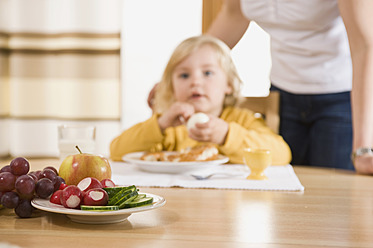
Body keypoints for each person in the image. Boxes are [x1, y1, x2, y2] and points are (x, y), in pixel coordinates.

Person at [206, 0, 373, 173]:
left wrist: (363, 149)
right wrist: (188, 73)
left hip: (339, 97)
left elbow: (364, 45)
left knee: (333, 190)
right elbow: (233, 15)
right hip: (282, 93)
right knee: (282, 186)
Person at [110, 35, 291, 165]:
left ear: (228, 83)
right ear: (172, 87)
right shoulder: (171, 127)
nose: (195, 81)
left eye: (208, 73)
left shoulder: (241, 120)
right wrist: (161, 124)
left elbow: (282, 154)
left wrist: (227, 135)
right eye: (184, 75)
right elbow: (117, 150)